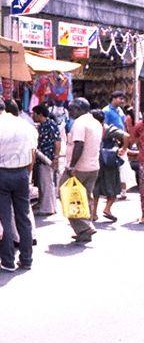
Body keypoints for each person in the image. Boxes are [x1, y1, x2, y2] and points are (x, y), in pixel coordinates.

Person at [0, 98, 37, 271]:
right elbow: (32, 155)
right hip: (22, 173)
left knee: (4, 218)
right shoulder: (25, 125)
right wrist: (27, 175)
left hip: (3, 175)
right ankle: (26, 259)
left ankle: (7, 261)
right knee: (24, 217)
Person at [59, 98, 103, 243]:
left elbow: (79, 145)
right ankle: (85, 229)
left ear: (79, 109)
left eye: (71, 109)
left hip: (79, 168)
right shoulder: (95, 122)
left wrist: (72, 166)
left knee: (67, 194)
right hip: (93, 166)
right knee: (84, 197)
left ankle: (84, 227)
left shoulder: (80, 123)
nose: (70, 112)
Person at [90, 110, 129, 222]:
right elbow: (126, 136)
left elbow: (126, 136)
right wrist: (123, 149)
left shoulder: (100, 129)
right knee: (112, 186)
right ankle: (107, 209)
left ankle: (94, 213)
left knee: (96, 188)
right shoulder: (108, 129)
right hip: (108, 160)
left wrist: (123, 149)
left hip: (99, 160)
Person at [32, 105, 62, 216]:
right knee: (45, 183)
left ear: (40, 114)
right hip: (42, 158)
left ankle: (47, 208)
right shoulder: (42, 125)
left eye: (34, 113)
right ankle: (49, 206)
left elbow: (57, 141)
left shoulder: (50, 124)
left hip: (47, 158)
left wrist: (56, 157)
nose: (32, 116)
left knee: (47, 182)